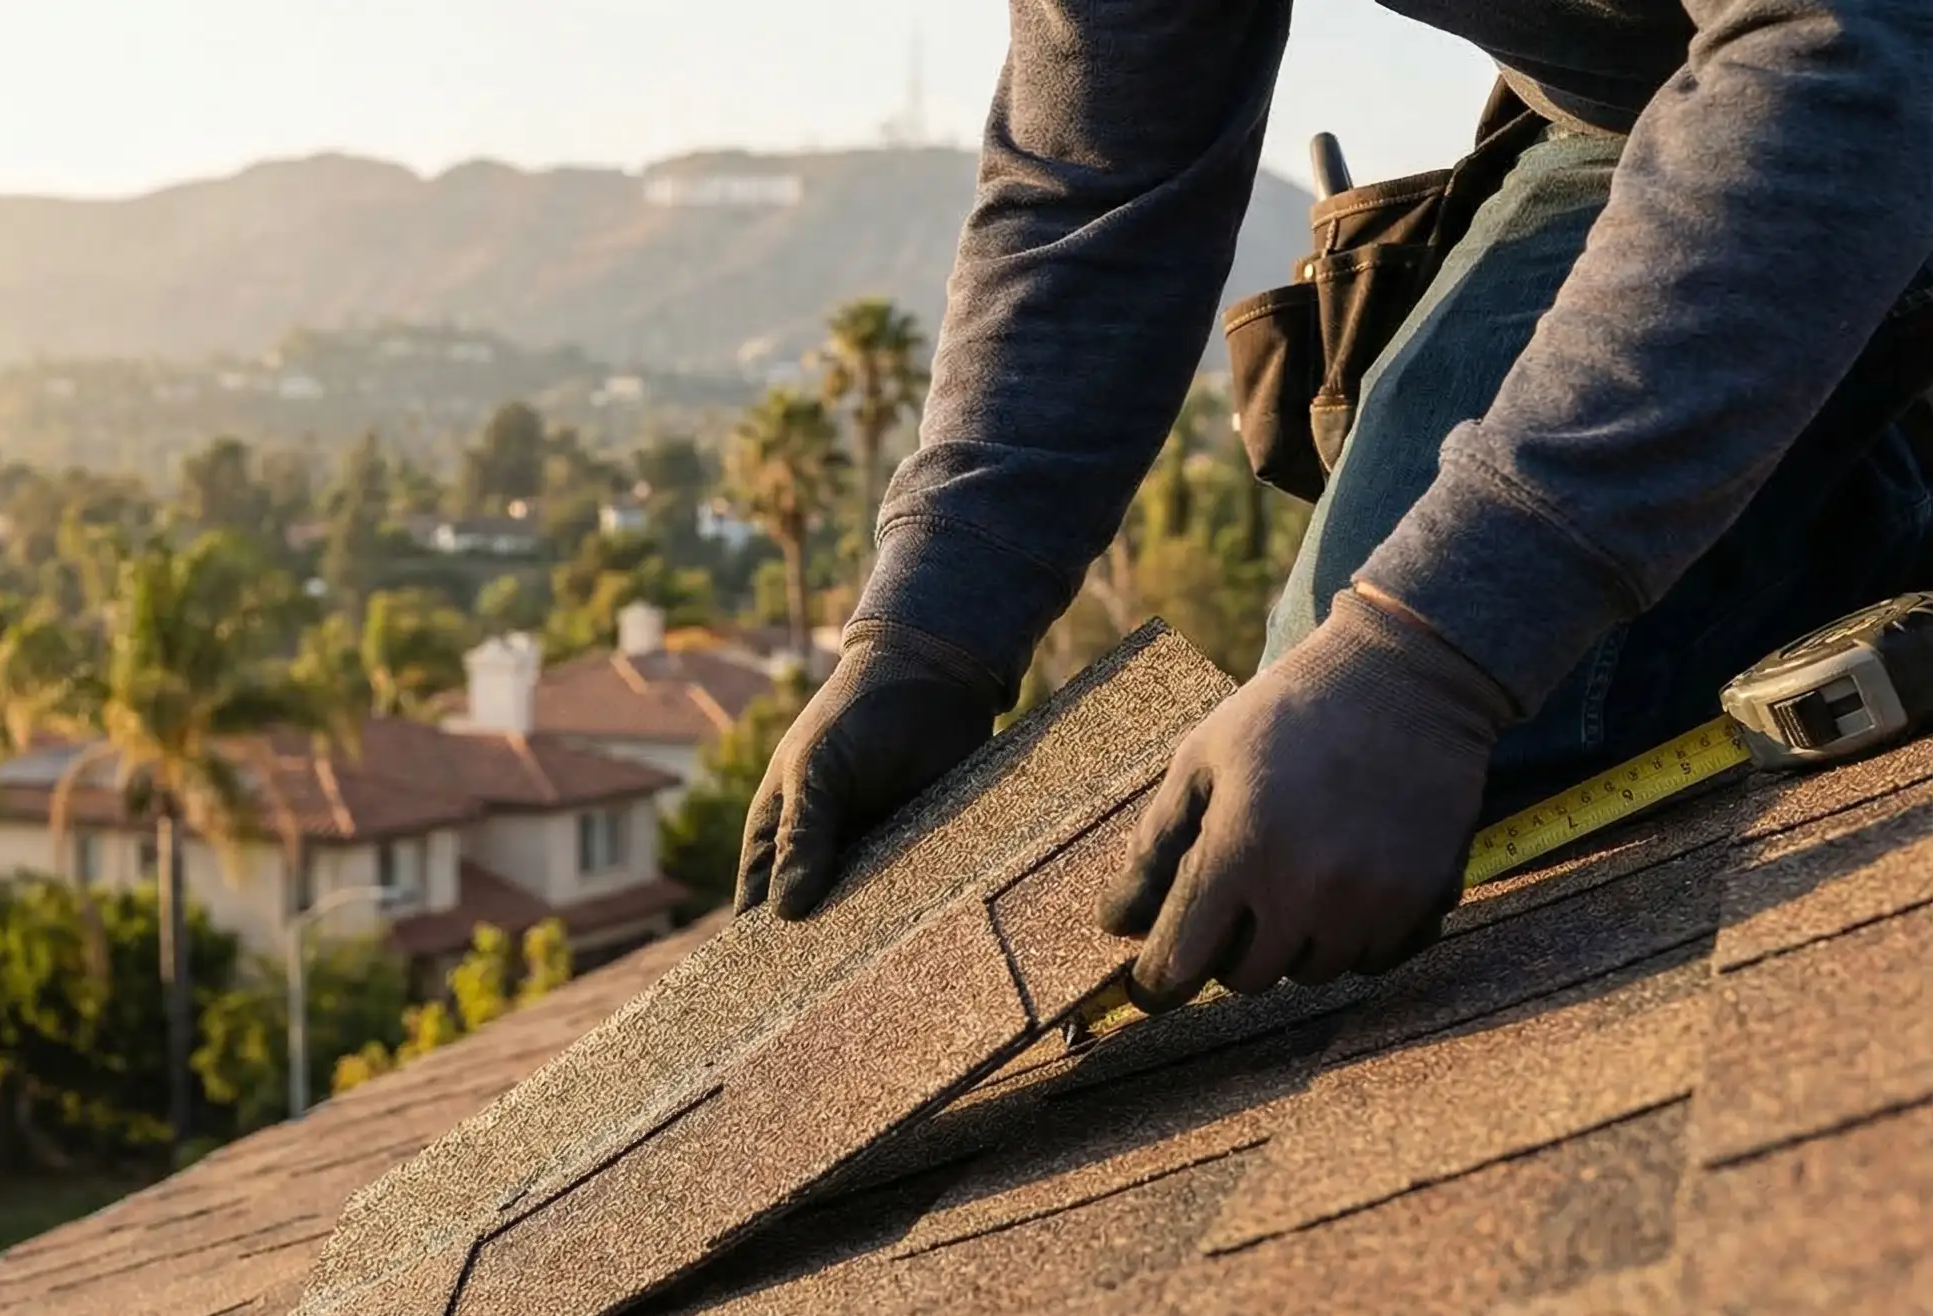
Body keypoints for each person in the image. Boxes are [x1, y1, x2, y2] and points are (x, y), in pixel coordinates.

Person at [737, 0, 1933, 1008]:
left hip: (1847, 59)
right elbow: (1095, 191)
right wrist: (929, 631)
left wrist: (1435, 655)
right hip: (1658, 113)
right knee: (1311, 794)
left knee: (1456, 712)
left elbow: (1841, 43)